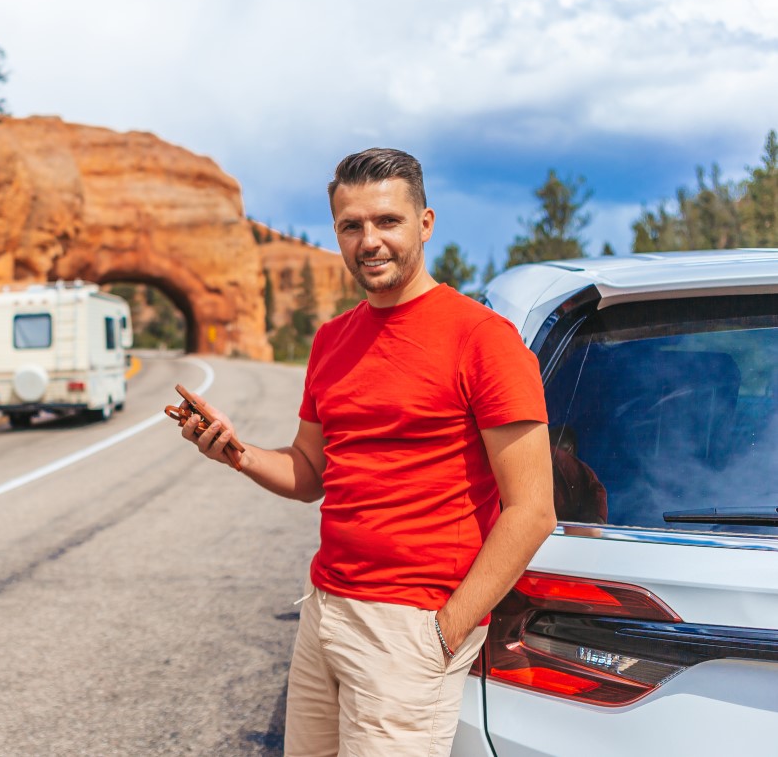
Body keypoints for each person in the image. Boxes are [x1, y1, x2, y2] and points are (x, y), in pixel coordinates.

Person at [179, 148, 556, 757]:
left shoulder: (484, 340)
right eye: (351, 226)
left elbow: (533, 510)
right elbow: (309, 472)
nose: (369, 241)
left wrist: (446, 630)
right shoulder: (333, 339)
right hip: (324, 610)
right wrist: (238, 453)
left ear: (425, 223)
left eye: (387, 221)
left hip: (412, 627)